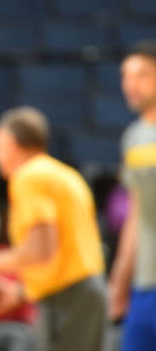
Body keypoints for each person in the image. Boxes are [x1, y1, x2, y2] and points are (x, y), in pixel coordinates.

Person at [0, 106, 106, 351]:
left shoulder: (29, 176)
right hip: (84, 291)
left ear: (10, 143)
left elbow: (41, 250)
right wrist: (23, 291)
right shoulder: (61, 173)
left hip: (69, 297)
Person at [109, 41, 156, 350]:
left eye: (141, 75)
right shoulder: (134, 138)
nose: (131, 84)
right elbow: (136, 215)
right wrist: (119, 279)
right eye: (126, 76)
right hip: (146, 282)